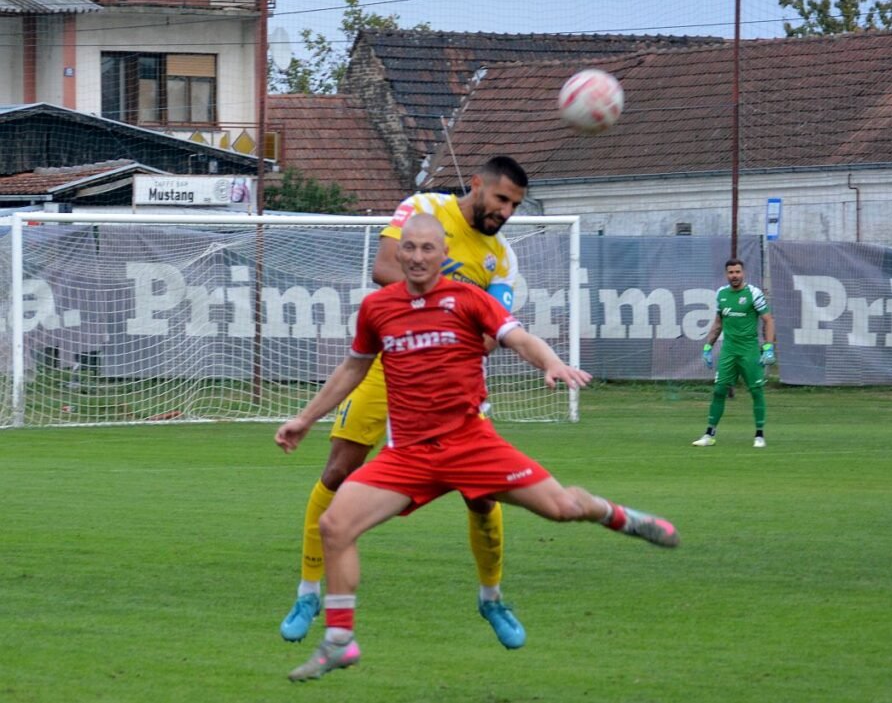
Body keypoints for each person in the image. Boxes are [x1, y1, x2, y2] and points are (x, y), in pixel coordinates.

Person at [276, 213, 679, 682]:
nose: (418, 257)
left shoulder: (469, 299)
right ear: (398, 252)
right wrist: (305, 419)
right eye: (410, 248)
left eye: (428, 248)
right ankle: (339, 640)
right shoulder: (377, 307)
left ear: (444, 254)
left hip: (470, 445)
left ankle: (618, 516)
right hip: (408, 455)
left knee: (564, 508)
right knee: (335, 524)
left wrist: (551, 363)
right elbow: (353, 368)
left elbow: (519, 338)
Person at [279, 156, 532, 649]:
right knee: (337, 472)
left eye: (514, 206)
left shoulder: (501, 258)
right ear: (477, 185)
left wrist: (454, 323)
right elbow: (384, 268)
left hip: (453, 383)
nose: (506, 212)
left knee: (481, 495)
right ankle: (308, 592)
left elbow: (491, 333)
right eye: (501, 199)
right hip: (390, 361)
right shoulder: (423, 208)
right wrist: (438, 311)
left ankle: (492, 598)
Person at [692, 258, 776, 448]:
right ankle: (709, 434)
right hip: (728, 351)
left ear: (743, 273)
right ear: (726, 274)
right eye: (731, 272)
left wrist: (769, 347)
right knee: (719, 390)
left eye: (737, 272)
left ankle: (759, 435)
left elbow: (768, 320)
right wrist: (708, 347)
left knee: (756, 391)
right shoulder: (721, 294)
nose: (734, 275)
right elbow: (718, 324)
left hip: (749, 351)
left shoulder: (753, 293)